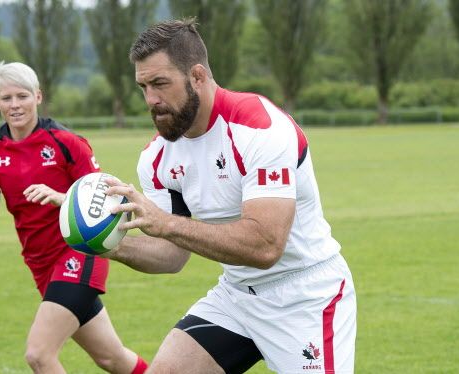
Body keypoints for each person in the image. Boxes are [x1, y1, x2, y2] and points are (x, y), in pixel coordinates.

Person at [104, 18, 357, 373]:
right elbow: (171, 255)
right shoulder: (157, 157)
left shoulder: (259, 127)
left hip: (306, 297)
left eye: (160, 84)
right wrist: (107, 244)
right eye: (143, 87)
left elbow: (265, 246)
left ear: (197, 76)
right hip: (237, 296)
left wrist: (165, 223)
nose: (151, 100)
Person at [0, 61, 148, 374]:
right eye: (7, 98)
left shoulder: (66, 143)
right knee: (111, 358)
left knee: (38, 354)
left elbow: (108, 198)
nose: (15, 105)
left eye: (22, 96)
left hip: (79, 251)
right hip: (40, 264)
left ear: (38, 97)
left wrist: (64, 199)